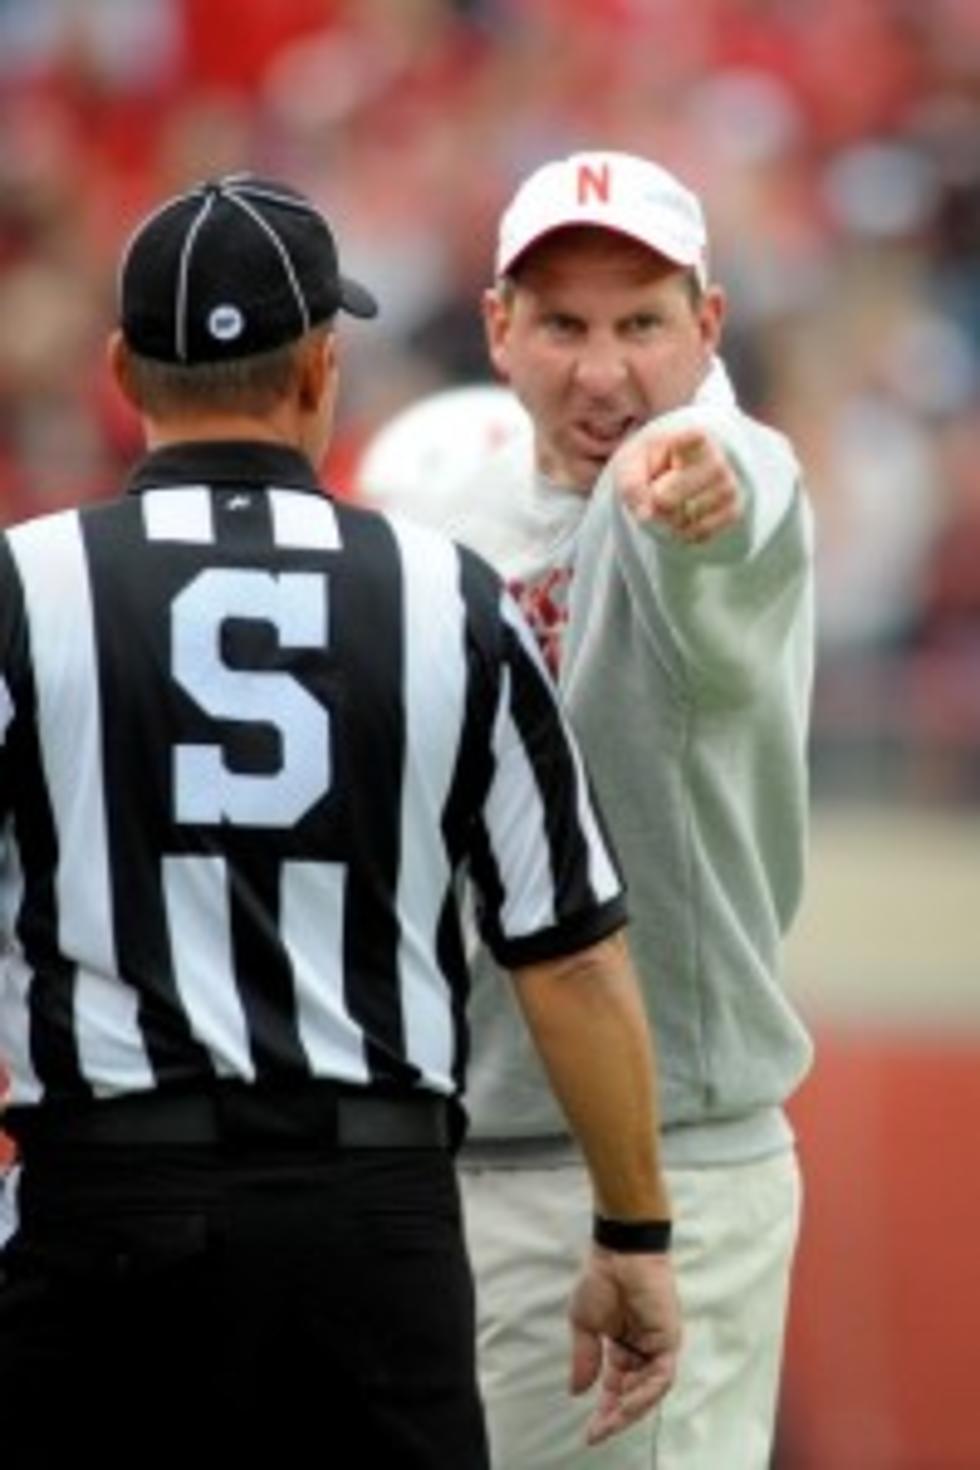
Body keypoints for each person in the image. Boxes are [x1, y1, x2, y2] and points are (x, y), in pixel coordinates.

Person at [0, 173, 681, 1469]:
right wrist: (636, 1235)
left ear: (119, 370)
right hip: (370, 1218)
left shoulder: (24, 588)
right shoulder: (451, 599)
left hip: (105, 1205)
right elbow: (575, 953)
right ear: (322, 366)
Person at [358, 149, 816, 1469]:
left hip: (661, 1168)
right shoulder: (448, 510)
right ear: (499, 329)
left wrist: (700, 473)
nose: (607, 371)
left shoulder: (725, 472)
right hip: (455, 1156)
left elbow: (731, 485)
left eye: (643, 323)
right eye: (565, 323)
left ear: (708, 328)